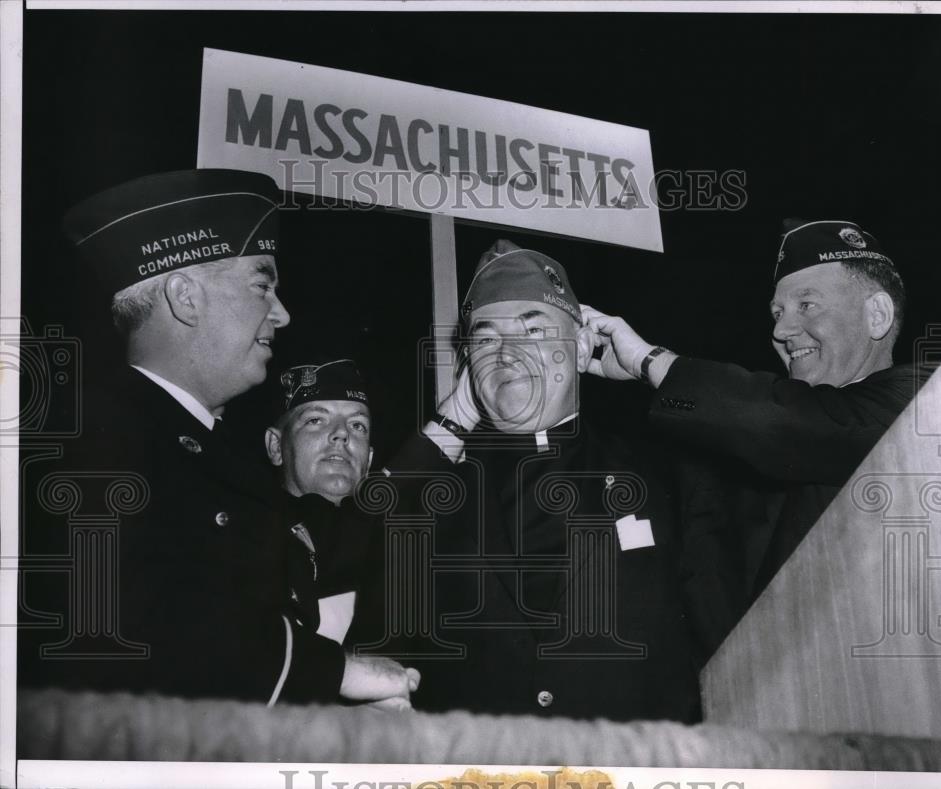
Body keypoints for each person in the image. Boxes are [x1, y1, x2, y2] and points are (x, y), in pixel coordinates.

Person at [19, 169, 413, 708]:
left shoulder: (207, 453)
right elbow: (135, 635)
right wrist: (334, 674)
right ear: (185, 296)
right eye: (261, 284)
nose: (281, 312)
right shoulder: (81, 445)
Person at [380, 239, 702, 722]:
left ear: (580, 349)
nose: (507, 355)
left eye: (533, 331)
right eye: (486, 340)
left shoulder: (666, 475)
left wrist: (653, 364)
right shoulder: (429, 496)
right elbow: (346, 553)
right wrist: (454, 416)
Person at [582, 219, 931, 596]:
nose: (781, 331)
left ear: (876, 315)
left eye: (807, 305)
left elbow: (792, 422)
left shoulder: (924, 403)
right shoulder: (757, 452)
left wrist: (650, 362)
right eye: (778, 313)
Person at [264, 357, 416, 706]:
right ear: (276, 447)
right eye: (316, 420)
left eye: (358, 426)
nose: (342, 434)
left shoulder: (399, 549)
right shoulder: (247, 541)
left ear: (369, 459)